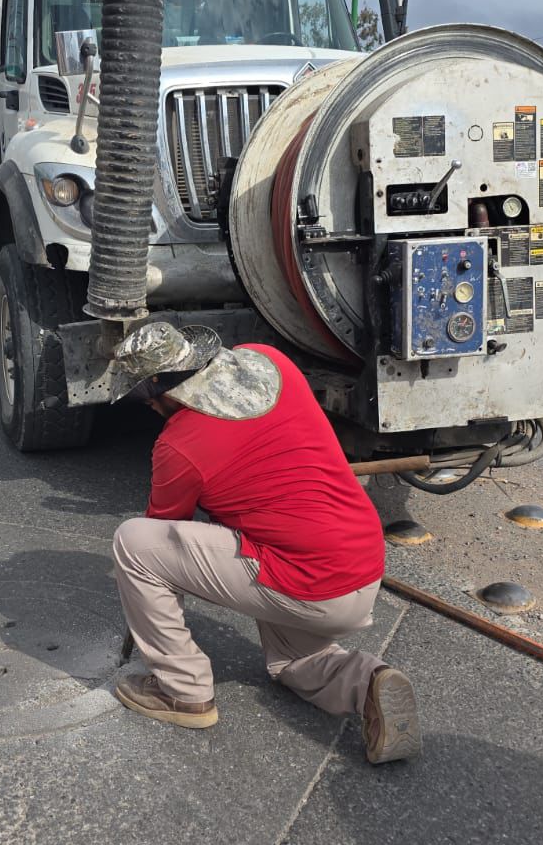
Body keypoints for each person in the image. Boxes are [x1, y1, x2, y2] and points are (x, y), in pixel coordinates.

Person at [110, 322, 420, 765]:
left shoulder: (178, 447)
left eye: (144, 398)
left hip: (307, 577)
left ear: (157, 388)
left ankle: (183, 691)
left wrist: (134, 593)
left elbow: (162, 536)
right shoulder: (268, 362)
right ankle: (369, 682)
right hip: (361, 563)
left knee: (134, 544)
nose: (150, 409)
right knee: (291, 666)